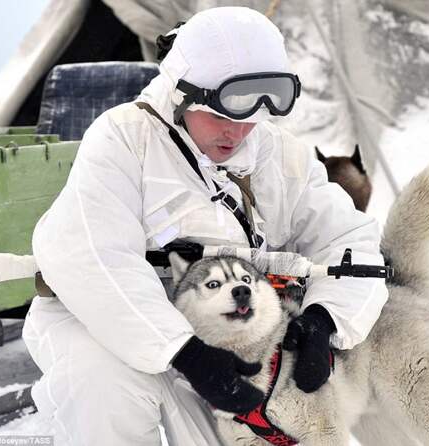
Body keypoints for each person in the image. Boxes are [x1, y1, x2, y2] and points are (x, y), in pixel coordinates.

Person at [22, 6, 388, 446]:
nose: (238, 132)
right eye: (221, 116)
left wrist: (326, 318)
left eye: (251, 118)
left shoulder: (277, 154)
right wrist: (184, 352)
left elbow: (349, 241)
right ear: (183, 94)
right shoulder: (124, 140)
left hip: (226, 330)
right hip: (99, 323)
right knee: (103, 391)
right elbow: (95, 260)